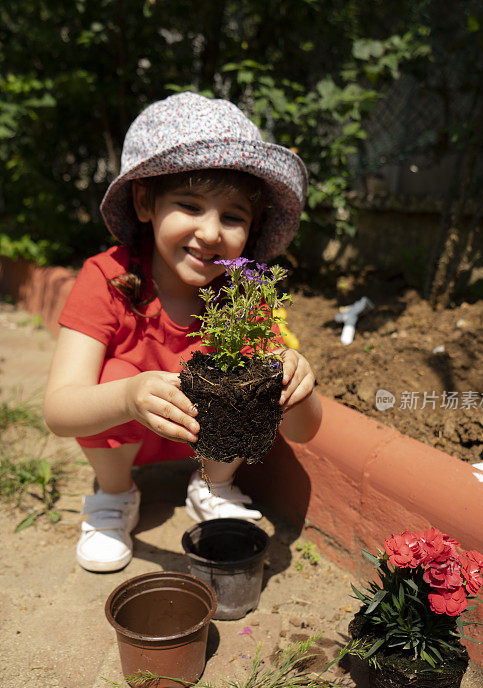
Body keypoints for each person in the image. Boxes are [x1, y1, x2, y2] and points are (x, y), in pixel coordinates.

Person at [44, 92, 322, 573]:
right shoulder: (106, 276)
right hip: (125, 432)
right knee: (115, 370)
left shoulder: (243, 295)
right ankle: (113, 496)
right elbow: (59, 410)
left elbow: (304, 430)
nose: (211, 233)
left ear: (251, 229)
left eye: (232, 216)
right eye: (190, 205)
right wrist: (128, 396)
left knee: (250, 376)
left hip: (203, 440)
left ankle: (212, 486)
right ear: (145, 201)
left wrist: (296, 384)